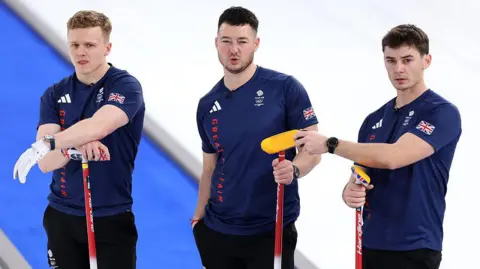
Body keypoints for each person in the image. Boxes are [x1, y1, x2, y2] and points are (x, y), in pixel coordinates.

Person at [294, 24, 462, 269]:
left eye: (407, 59)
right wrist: (349, 191)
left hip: (415, 247)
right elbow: (360, 174)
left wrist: (331, 144)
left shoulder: (442, 112)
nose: (399, 68)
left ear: (426, 60)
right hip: (370, 243)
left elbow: (394, 157)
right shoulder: (373, 121)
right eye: (391, 60)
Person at [13, 10, 145, 269]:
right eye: (75, 44)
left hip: (110, 217)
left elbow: (99, 125)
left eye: (89, 45)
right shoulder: (54, 94)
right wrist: (74, 144)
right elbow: (46, 163)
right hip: (62, 216)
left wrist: (50, 142)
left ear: (107, 47)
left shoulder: (125, 87)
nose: (81, 52)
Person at [191, 6, 321, 269]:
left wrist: (294, 169)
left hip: (270, 229)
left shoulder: (285, 88)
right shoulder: (207, 104)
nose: (234, 50)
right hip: (218, 231)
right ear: (217, 43)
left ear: (256, 44)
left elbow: (313, 149)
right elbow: (210, 167)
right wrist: (198, 220)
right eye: (226, 41)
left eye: (242, 42)